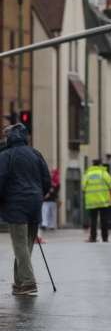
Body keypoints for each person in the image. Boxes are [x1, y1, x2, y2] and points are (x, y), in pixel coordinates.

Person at [0, 123, 51, 296]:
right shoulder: (35, 153)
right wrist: (39, 194)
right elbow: (47, 180)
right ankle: (19, 282)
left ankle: (28, 282)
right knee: (26, 245)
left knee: (20, 245)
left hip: (17, 205)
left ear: (10, 137)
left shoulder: (6, 156)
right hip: (35, 203)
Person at [82, 159, 111, 242]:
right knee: (104, 220)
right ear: (100, 165)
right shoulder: (104, 173)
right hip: (103, 201)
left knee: (93, 220)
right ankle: (105, 238)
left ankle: (93, 237)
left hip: (91, 202)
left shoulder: (87, 174)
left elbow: (83, 187)